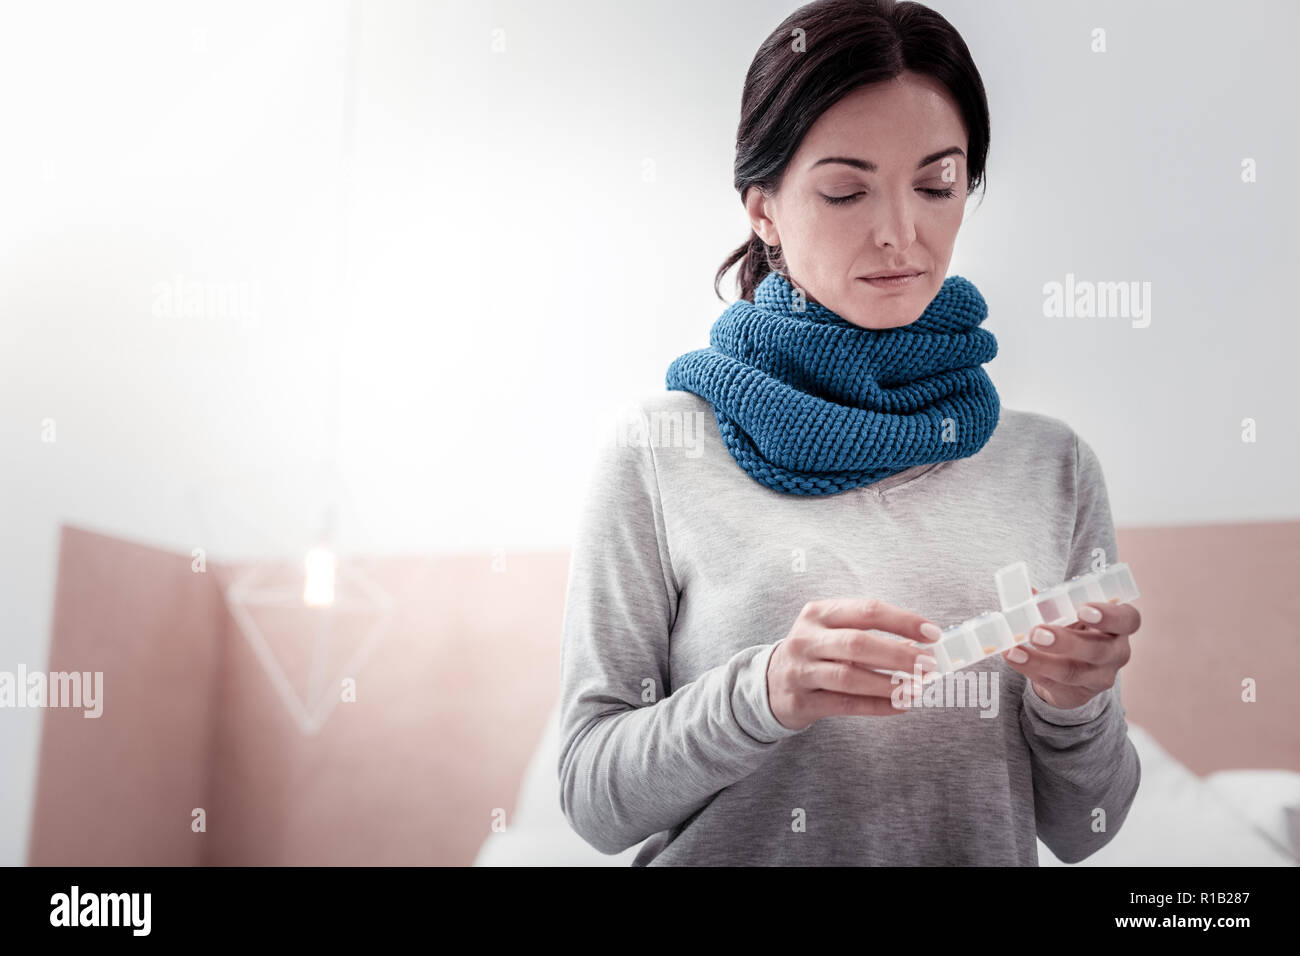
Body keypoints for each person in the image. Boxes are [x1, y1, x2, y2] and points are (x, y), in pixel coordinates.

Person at [558, 0, 1141, 866]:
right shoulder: (660, 454)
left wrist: (1071, 705)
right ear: (763, 210)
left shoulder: (1051, 466)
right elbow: (592, 800)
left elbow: (1082, 829)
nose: (901, 232)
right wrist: (764, 694)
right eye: (845, 190)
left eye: (938, 186)